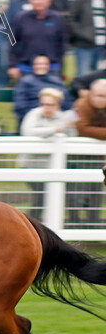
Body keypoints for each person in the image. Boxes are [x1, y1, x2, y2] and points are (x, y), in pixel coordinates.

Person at [19, 87, 77, 219]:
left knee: (50, 197)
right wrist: (55, 129)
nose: (47, 107)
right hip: (31, 165)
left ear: (58, 105)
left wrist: (70, 127)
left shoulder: (62, 117)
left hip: (52, 166)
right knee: (42, 196)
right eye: (44, 104)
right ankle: (33, 225)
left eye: (50, 104)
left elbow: (71, 136)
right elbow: (27, 131)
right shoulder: (34, 114)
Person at [9, 0, 68, 80]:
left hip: (52, 68)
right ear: (30, 1)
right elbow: (12, 43)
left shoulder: (58, 18)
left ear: (48, 1)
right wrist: (12, 65)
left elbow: (62, 45)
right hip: (26, 68)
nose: (38, 2)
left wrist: (60, 66)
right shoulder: (20, 18)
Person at [69, 78, 106, 224]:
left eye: (104, 96)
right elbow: (82, 128)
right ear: (91, 94)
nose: (101, 100)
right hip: (77, 156)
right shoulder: (82, 104)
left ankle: (94, 224)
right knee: (74, 192)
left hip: (97, 157)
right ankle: (73, 223)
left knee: (96, 191)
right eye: (98, 95)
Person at [13, 55, 72, 120]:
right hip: (34, 118)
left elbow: (67, 102)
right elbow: (20, 106)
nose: (41, 66)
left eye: (44, 64)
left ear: (49, 66)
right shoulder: (25, 81)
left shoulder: (57, 81)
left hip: (57, 117)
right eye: (38, 64)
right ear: (33, 66)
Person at [68, 0, 106, 78]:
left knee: (101, 77)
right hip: (84, 46)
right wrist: (84, 34)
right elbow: (71, 20)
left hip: (103, 47)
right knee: (83, 75)